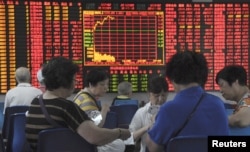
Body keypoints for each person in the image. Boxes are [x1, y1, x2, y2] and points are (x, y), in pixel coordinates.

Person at [25, 57, 131, 151]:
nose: (75, 84)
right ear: (66, 81)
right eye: (74, 80)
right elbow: (96, 136)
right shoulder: (66, 107)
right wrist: (119, 132)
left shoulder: (35, 102)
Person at [145, 51, 229, 152]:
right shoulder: (218, 105)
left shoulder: (168, 110)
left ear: (173, 79)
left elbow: (154, 148)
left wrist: (153, 125)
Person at [73, 68, 127, 152]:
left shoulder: (80, 94)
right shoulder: (88, 101)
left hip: (80, 139)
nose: (106, 88)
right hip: (84, 142)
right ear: (91, 84)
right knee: (119, 144)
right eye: (102, 84)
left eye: (107, 84)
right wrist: (104, 109)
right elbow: (97, 126)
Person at [129, 76, 168, 152]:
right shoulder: (142, 112)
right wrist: (148, 127)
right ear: (149, 94)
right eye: (156, 96)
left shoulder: (172, 111)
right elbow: (130, 138)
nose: (160, 100)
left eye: (163, 95)